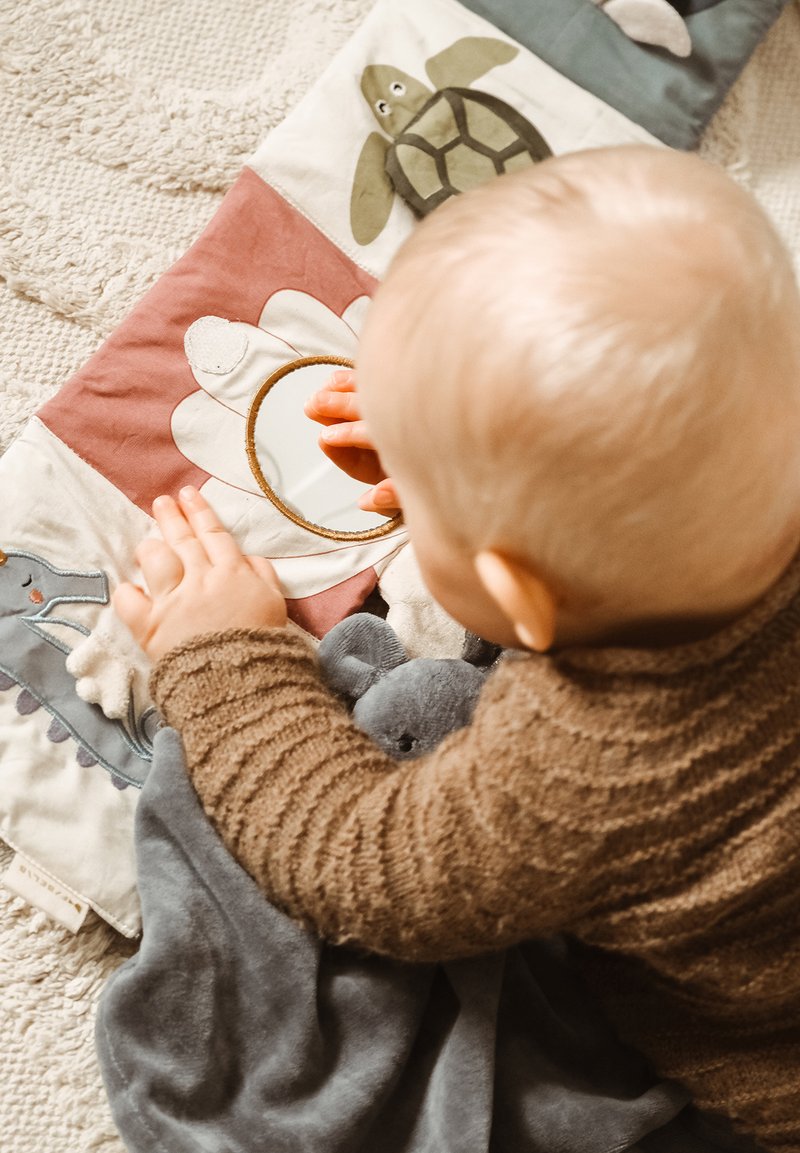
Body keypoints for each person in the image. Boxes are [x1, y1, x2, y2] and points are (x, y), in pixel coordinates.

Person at [113, 145, 800, 1152]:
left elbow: (357, 860)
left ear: (521, 596)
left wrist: (226, 654)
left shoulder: (574, 770)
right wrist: (459, 452)